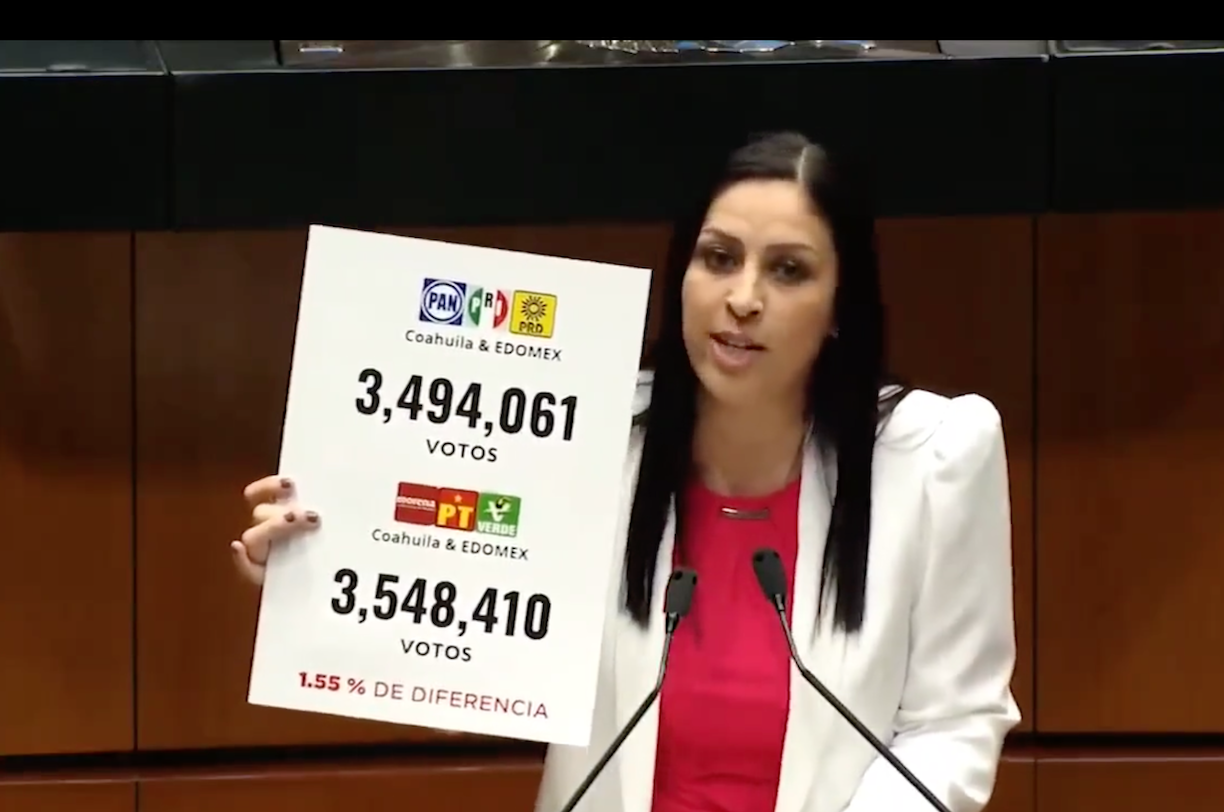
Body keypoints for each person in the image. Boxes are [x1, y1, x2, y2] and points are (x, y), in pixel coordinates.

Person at [232, 131, 1020, 812]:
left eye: (788, 271)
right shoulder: (588, 433)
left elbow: (954, 724)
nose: (743, 298)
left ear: (841, 302)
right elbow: (457, 608)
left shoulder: (934, 458)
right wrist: (319, 560)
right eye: (719, 259)